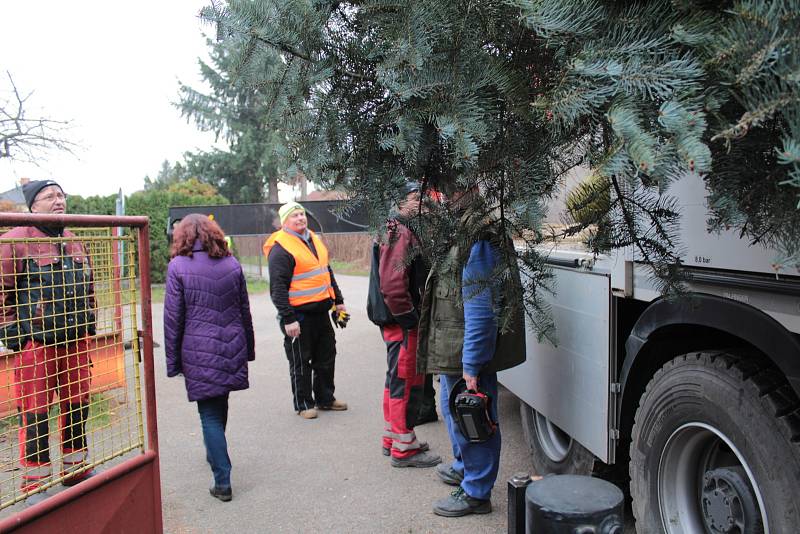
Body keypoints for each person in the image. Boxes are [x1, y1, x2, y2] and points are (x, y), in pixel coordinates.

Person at [417, 190, 526, 516]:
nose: (435, 197)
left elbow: (481, 311)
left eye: (443, 190)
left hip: (465, 355)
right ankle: (466, 468)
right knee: (454, 413)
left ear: (461, 192)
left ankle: (477, 492)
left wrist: (472, 365)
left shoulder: (478, 236)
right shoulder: (461, 229)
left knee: (474, 419)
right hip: (454, 351)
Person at [0, 180, 96, 505]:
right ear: (32, 205)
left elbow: (89, 285)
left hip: (76, 341)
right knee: (36, 412)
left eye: (61, 195)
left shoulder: (73, 239)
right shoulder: (14, 240)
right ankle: (35, 483)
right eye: (49, 196)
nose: (58, 201)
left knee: (78, 404)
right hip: (37, 345)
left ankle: (76, 470)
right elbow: (2, 291)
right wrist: (14, 335)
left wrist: (90, 322)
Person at [163, 214, 255, 502]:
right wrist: (248, 349)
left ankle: (222, 480)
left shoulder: (178, 266)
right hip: (232, 345)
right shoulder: (232, 264)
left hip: (198, 349)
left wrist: (173, 362)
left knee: (209, 413)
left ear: (183, 237)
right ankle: (213, 451)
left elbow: (172, 320)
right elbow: (244, 311)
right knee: (220, 403)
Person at [367, 183, 441, 468]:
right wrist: (411, 319)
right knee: (406, 381)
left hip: (394, 321)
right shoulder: (400, 230)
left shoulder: (393, 227)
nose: (422, 202)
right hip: (403, 323)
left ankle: (393, 437)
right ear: (399, 202)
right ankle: (404, 447)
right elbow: (393, 285)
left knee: (394, 379)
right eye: (415, 198)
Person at [263, 201, 348, 419]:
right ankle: (303, 404)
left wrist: (338, 301)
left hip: (321, 311)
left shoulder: (313, 239)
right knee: (301, 361)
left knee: (326, 357)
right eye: (295, 216)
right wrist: (288, 318)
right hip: (298, 316)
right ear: (285, 222)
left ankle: (325, 399)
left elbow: (326, 271)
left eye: (302, 214)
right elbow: (278, 289)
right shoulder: (280, 248)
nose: (301, 218)